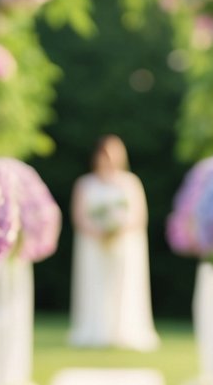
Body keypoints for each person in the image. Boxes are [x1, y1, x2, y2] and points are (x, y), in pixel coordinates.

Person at [68, 135, 159, 351]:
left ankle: (124, 331)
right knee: (95, 285)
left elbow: (139, 216)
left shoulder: (130, 182)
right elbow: (79, 216)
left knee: (123, 286)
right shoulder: (85, 183)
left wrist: (117, 231)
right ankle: (94, 330)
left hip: (124, 244)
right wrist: (98, 231)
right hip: (92, 244)